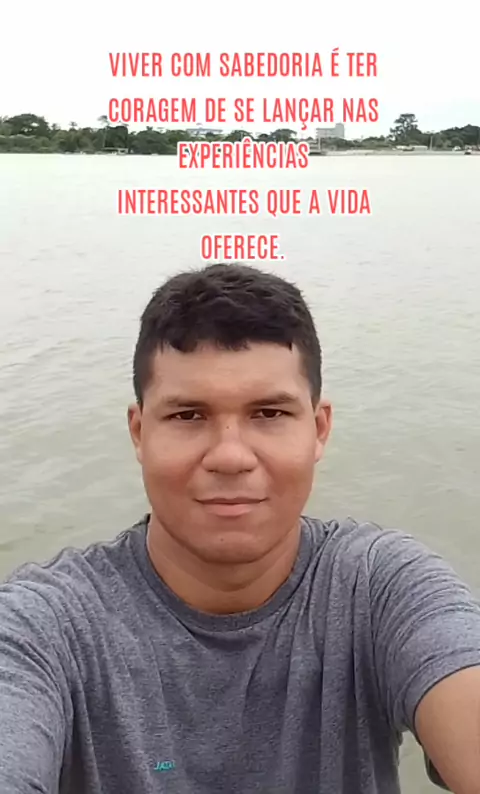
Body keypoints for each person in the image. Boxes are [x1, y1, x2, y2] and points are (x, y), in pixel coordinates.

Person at [0, 263, 479, 794]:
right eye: (188, 416)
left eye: (269, 413)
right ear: (139, 432)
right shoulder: (46, 628)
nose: (230, 456)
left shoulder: (381, 590)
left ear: (319, 429)